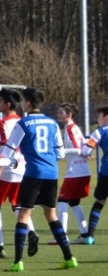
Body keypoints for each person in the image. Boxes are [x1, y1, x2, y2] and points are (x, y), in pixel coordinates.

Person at [0, 87, 76, 272]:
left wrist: (8, 162)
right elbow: (60, 153)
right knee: (51, 215)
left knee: (23, 215)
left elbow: (7, 151)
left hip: (33, 174)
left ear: (27, 103)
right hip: (52, 173)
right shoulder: (52, 123)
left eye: (23, 101)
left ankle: (18, 262)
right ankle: (69, 258)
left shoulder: (23, 123)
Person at [0, 88, 36, 259]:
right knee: (17, 205)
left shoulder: (3, 123)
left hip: (8, 168)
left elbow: (6, 147)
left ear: (7, 104)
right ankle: (31, 232)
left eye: (0, 101)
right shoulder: (23, 120)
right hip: (23, 167)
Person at [53, 103, 92, 243]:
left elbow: (77, 149)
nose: (58, 115)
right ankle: (85, 235)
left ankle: (61, 236)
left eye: (61, 112)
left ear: (69, 115)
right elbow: (84, 147)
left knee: (62, 201)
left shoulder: (70, 128)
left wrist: (59, 151)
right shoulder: (74, 128)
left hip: (75, 172)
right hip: (83, 170)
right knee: (74, 202)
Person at [79, 106, 108, 242]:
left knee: (99, 202)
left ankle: (90, 236)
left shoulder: (99, 132)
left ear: (106, 117)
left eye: (99, 116)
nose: (97, 120)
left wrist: (87, 154)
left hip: (106, 172)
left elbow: (85, 150)